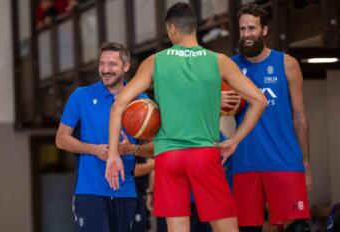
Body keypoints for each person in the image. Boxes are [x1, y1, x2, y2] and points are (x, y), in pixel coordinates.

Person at [105, 2, 267, 232]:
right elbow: (260, 100)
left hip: (168, 156)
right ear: (194, 27)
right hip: (204, 153)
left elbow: (118, 105)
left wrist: (113, 154)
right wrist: (234, 140)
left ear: (172, 29)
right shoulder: (218, 60)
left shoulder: (155, 61)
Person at [221, 4, 312, 232]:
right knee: (247, 229)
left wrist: (306, 164)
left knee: (297, 227)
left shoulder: (287, 64)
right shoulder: (229, 67)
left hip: (285, 160)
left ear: (264, 30)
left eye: (251, 28)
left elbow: (300, 117)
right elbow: (210, 106)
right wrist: (216, 103)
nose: (246, 35)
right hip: (245, 163)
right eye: (242, 29)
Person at [55, 42, 153, 232]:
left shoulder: (141, 102)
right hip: (90, 192)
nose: (105, 70)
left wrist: (131, 149)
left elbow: (158, 147)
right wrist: (94, 149)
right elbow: (61, 139)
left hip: (126, 193)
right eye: (102, 64)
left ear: (126, 66)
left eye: (112, 64)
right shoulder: (81, 96)